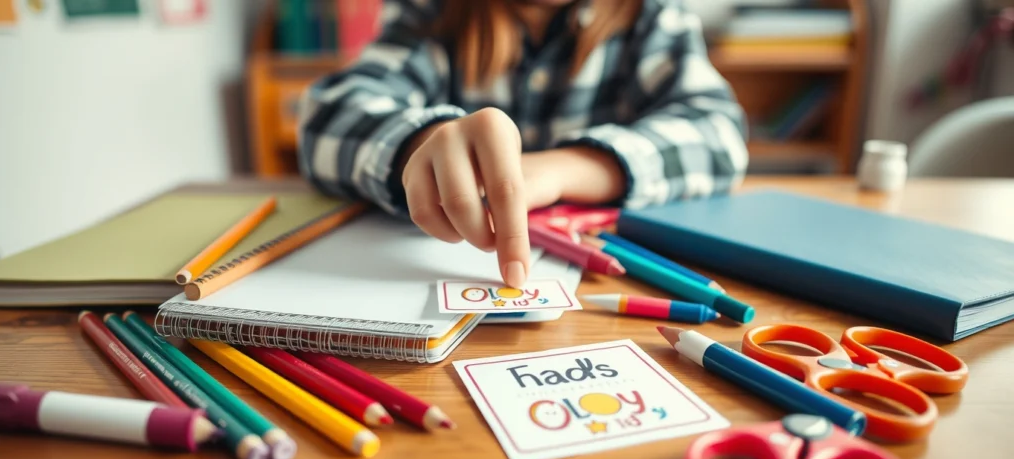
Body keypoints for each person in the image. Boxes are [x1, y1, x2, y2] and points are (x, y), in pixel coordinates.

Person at [297, 0, 748, 287]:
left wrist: (562, 169)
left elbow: (720, 134)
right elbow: (324, 120)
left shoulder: (652, 15)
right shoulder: (431, 12)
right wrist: (424, 143)